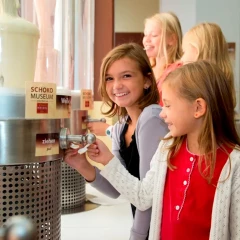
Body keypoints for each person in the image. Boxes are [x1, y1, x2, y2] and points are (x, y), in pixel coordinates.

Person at [85, 61, 240, 240]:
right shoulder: (166, 150)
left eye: (167, 105)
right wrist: (106, 158)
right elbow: (143, 197)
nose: (161, 113)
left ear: (198, 108)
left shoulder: (234, 165)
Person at [65, 43, 168, 240]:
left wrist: (136, 236)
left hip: (158, 230)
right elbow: (116, 190)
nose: (116, 85)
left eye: (126, 76)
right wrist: (83, 165)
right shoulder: (121, 126)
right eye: (109, 78)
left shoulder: (151, 118)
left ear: (147, 80)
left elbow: (147, 198)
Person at [87, 11, 183, 136]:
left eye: (153, 35)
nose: (146, 40)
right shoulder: (147, 69)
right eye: (145, 35)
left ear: (172, 39)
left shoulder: (178, 73)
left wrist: (109, 130)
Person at [158, 22, 236, 106]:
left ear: (196, 51)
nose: (181, 59)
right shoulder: (223, 84)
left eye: (184, 52)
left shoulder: (192, 86)